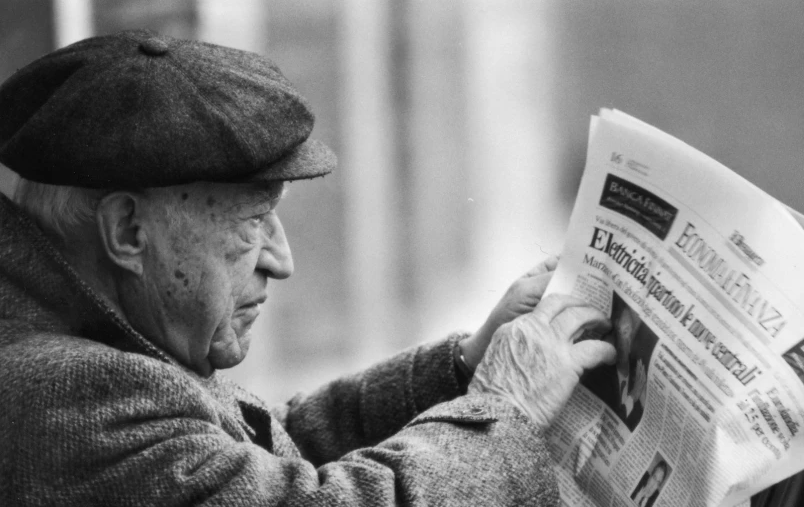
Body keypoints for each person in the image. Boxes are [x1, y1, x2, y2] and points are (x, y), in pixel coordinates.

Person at [0, 29, 615, 505]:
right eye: (252, 222)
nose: (282, 260)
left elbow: (255, 465)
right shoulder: (65, 394)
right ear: (128, 231)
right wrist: (504, 405)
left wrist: (463, 369)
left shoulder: (82, 345)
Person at [581, 295, 647, 431]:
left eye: (627, 331)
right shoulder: (597, 377)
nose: (624, 339)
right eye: (619, 331)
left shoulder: (639, 380)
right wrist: (633, 397)